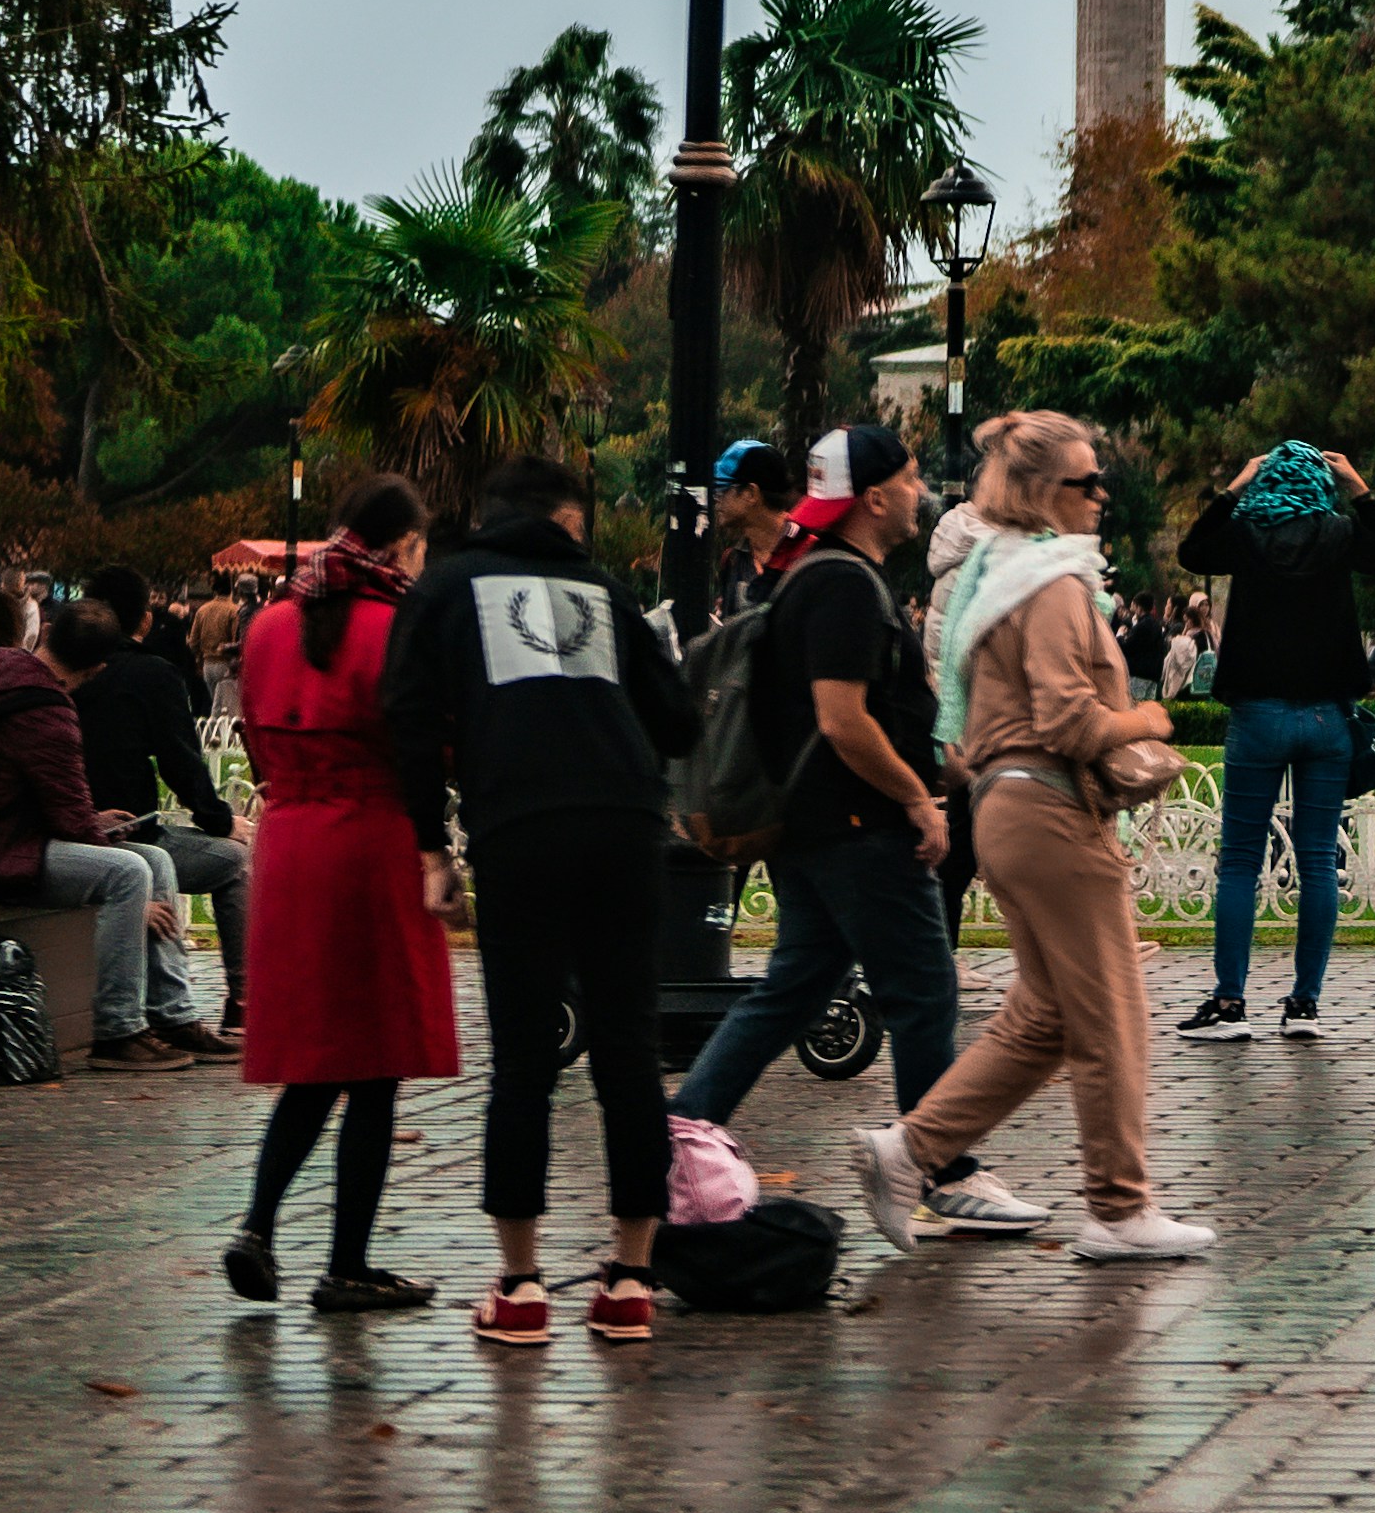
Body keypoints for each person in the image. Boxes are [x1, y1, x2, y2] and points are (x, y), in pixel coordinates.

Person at [873, 414, 1208, 1261]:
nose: (1101, 494)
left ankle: (910, 1148)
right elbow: (1066, 716)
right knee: (1112, 1012)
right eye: (1085, 481)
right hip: (1053, 809)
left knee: (1047, 1015)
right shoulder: (1053, 583)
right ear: (1035, 492)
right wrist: (1148, 715)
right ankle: (1119, 1207)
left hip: (1007, 806)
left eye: (1100, 480)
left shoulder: (999, 576)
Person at [379, 456, 691, 1352]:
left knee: (524, 1056)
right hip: (628, 822)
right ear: (568, 518)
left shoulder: (444, 586)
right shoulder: (606, 589)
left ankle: (520, 1286)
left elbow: (405, 711)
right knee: (628, 1049)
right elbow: (676, 720)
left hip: (518, 823)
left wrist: (431, 842)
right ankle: (630, 1275)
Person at [673, 425, 1004, 1216]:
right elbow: (843, 719)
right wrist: (918, 799)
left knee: (793, 987)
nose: (924, 493)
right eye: (914, 478)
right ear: (876, 495)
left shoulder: (821, 576)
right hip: (858, 827)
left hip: (817, 828)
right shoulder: (846, 585)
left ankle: (681, 1123)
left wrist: (951, 767)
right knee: (923, 991)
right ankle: (938, 1167)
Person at [224, 479, 447, 1316]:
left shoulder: (271, 621)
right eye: (421, 550)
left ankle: (257, 1221)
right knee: (378, 1063)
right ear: (398, 550)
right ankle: (348, 1262)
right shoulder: (400, 627)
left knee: (316, 1057)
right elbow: (431, 744)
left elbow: (250, 728)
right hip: (375, 842)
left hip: (291, 843)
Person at [1173, 436, 1375, 1043]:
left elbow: (1193, 552)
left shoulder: (1246, 534)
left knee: (1241, 861)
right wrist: (1360, 490)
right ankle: (1304, 1005)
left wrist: (1234, 487)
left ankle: (1229, 1002)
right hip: (1327, 716)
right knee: (1320, 860)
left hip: (1258, 713)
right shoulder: (1338, 533)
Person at [0, 590, 198, 1069]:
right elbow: (72, 823)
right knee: (131, 874)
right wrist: (138, 903)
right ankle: (118, 1030)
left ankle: (173, 1014)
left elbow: (54, 809)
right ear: (95, 670)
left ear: (46, 633)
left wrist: (97, 824)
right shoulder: (48, 712)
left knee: (155, 858)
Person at [77, 566, 248, 1042]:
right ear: (145, 620)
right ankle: (240, 1000)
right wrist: (219, 818)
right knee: (233, 861)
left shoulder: (63, 673)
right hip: (121, 833)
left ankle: (169, 1010)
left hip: (74, 830)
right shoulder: (150, 673)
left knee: (153, 863)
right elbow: (181, 762)